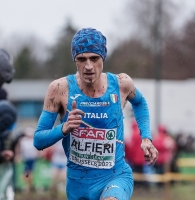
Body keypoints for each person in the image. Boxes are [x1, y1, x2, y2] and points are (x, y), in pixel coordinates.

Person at [33, 27, 158, 200]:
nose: (89, 66)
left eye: (94, 58)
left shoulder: (121, 84)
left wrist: (146, 138)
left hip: (115, 176)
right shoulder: (59, 89)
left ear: (103, 58)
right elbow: (38, 140)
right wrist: (64, 128)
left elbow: (140, 102)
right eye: (82, 59)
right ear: (75, 61)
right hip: (78, 184)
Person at [19, 127, 38, 192]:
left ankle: (29, 186)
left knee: (29, 173)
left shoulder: (33, 141)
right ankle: (28, 185)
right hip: (26, 158)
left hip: (32, 159)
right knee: (26, 173)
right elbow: (21, 150)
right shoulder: (23, 141)